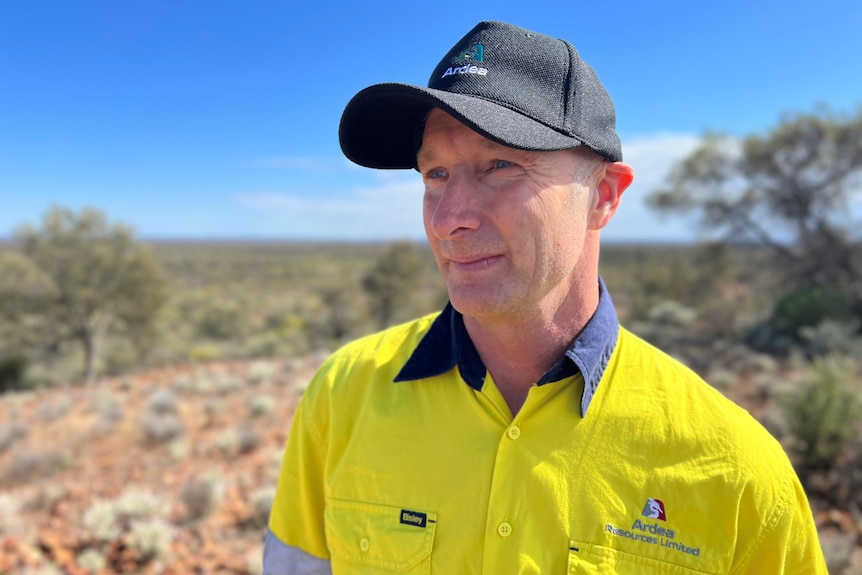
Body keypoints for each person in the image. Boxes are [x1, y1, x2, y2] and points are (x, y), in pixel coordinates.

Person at [264, 21, 827, 574]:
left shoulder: (735, 470)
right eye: (435, 173)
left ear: (603, 196)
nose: (449, 218)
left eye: (501, 165)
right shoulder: (342, 397)